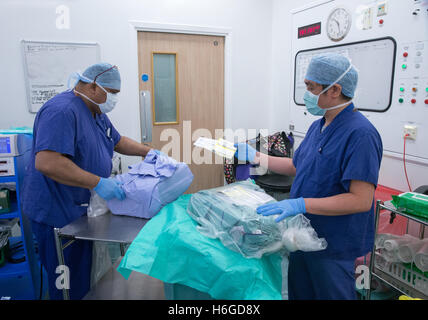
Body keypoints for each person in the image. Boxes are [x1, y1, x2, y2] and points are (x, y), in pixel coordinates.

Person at [235, 53, 383, 300]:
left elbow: (360, 200)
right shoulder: (319, 125)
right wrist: (258, 158)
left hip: (333, 244)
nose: (307, 94)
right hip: (303, 235)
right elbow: (297, 165)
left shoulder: (361, 135)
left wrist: (300, 203)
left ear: (334, 90)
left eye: (311, 87)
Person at [22, 63, 160, 300]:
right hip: (56, 214)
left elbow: (116, 141)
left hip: (79, 211)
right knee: (65, 282)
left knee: (84, 278)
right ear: (93, 85)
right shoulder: (62, 111)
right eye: (112, 93)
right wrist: (99, 182)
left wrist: (147, 152)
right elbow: (48, 162)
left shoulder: (95, 112)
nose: (114, 99)